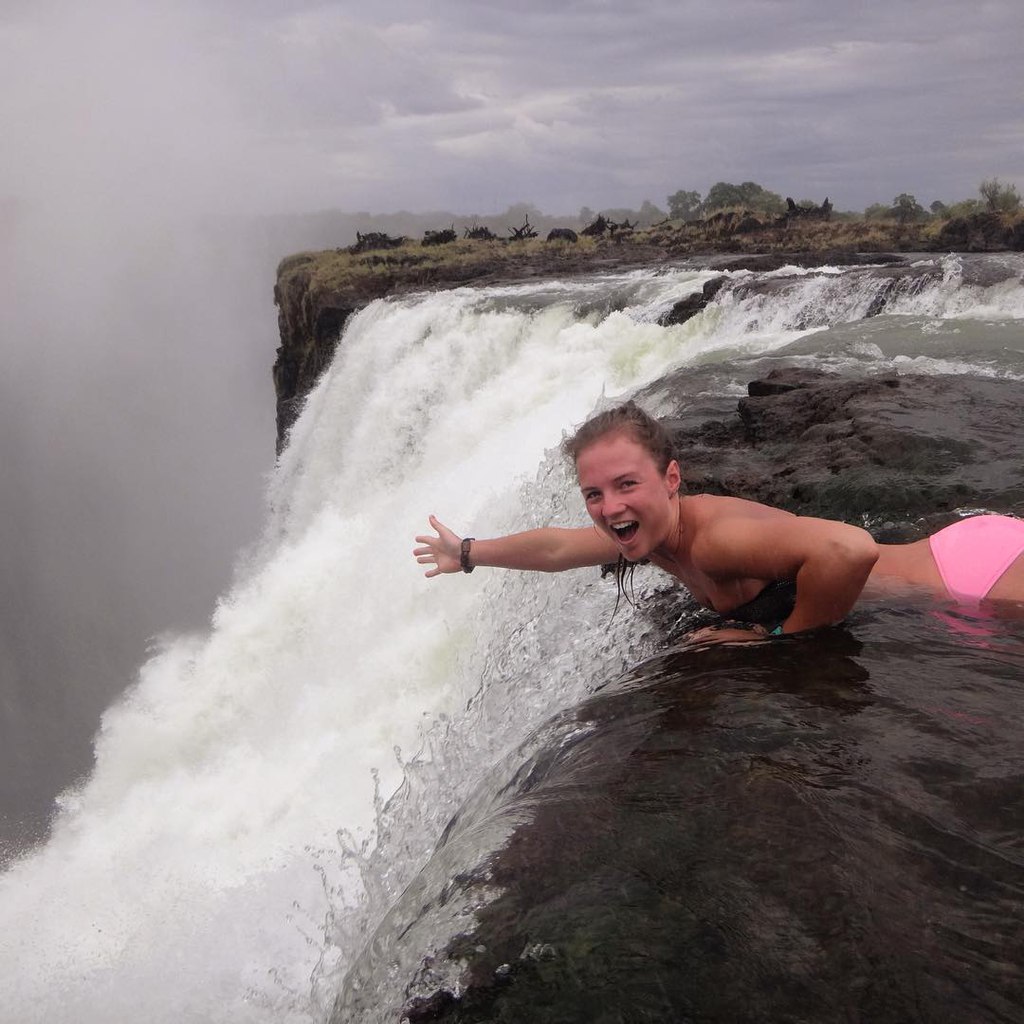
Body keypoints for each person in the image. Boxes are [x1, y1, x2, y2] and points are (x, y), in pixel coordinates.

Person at [413, 402, 1024, 641]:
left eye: (627, 484)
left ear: (671, 481)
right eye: (594, 493)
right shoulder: (643, 535)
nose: (610, 506)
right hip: (963, 559)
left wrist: (772, 638)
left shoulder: (716, 537)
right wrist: (467, 552)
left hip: (974, 581)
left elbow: (850, 550)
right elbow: (555, 548)